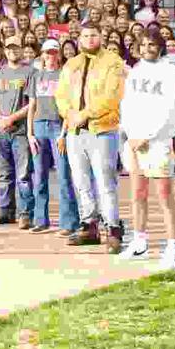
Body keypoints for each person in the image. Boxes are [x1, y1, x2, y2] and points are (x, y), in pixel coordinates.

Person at [55, 23, 127, 253]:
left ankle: (113, 229)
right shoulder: (71, 64)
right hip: (76, 132)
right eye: (85, 36)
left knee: (106, 182)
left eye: (93, 35)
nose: (89, 39)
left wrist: (85, 114)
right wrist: (69, 114)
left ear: (101, 36)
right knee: (81, 182)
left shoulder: (113, 61)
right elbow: (61, 95)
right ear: (79, 38)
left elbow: (113, 95)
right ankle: (90, 226)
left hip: (102, 129)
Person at [118, 30, 175, 268]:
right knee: (137, 194)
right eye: (143, 44)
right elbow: (127, 104)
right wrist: (131, 133)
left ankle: (173, 248)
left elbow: (170, 110)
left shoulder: (171, 73)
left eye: (152, 44)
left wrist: (148, 135)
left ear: (161, 47)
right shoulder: (136, 71)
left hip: (157, 142)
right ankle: (139, 242)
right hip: (134, 141)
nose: (147, 48)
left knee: (164, 196)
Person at [26, 39, 75, 235]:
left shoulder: (65, 75)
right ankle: (40, 220)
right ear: (42, 55)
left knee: (63, 176)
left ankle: (68, 222)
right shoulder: (36, 76)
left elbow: (69, 107)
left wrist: (63, 133)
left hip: (58, 127)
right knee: (39, 176)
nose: (50, 56)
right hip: (39, 127)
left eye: (54, 52)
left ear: (59, 54)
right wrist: (30, 134)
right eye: (47, 52)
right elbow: (32, 106)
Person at [0, 38, 35, 228]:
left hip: (20, 130)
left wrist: (11, 118)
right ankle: (6, 211)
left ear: (22, 49)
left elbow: (32, 102)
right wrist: (0, 118)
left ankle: (25, 213)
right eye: (9, 48)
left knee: (23, 175)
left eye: (16, 48)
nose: (13, 52)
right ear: (5, 51)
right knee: (4, 174)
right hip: (0, 130)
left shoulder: (30, 72)